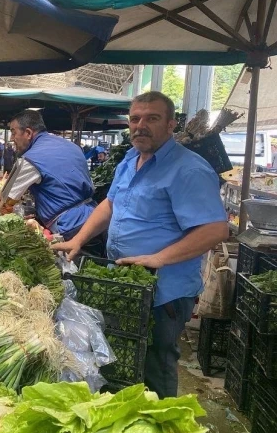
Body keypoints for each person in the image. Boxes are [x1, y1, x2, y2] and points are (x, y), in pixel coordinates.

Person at [53, 91, 228, 399]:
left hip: (164, 294)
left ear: (171, 124)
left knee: (156, 364)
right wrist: (78, 240)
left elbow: (215, 230)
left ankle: (163, 431)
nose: (140, 126)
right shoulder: (131, 159)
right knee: (128, 360)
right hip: (128, 285)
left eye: (152, 118)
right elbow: (110, 204)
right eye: (135, 119)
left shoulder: (189, 169)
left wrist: (159, 258)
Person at [0, 111, 96, 243]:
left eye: (13, 132)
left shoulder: (30, 159)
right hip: (94, 219)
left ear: (28, 133)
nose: (11, 139)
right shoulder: (71, 146)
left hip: (70, 227)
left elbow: (1, 200)